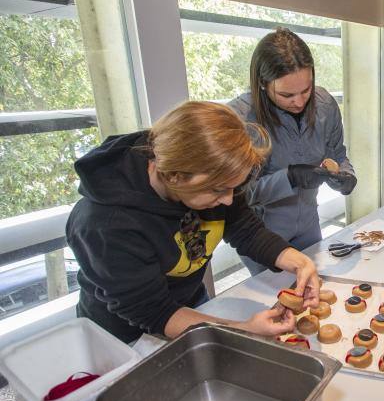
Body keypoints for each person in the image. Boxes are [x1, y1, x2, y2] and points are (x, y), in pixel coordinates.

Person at [67, 101, 320, 344]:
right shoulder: (105, 224)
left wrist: (298, 261)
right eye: (219, 191)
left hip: (188, 304)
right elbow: (156, 312)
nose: (229, 200)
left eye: (234, 188)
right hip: (125, 338)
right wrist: (243, 330)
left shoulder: (213, 179)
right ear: (174, 176)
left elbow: (246, 230)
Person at [229, 28, 356, 274]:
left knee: (316, 290)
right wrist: (289, 177)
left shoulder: (325, 105)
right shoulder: (240, 118)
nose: (299, 102)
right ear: (263, 85)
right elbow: (235, 196)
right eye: (286, 94)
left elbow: (337, 154)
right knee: (279, 302)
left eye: (306, 90)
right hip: (262, 235)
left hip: (309, 223)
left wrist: (346, 175)